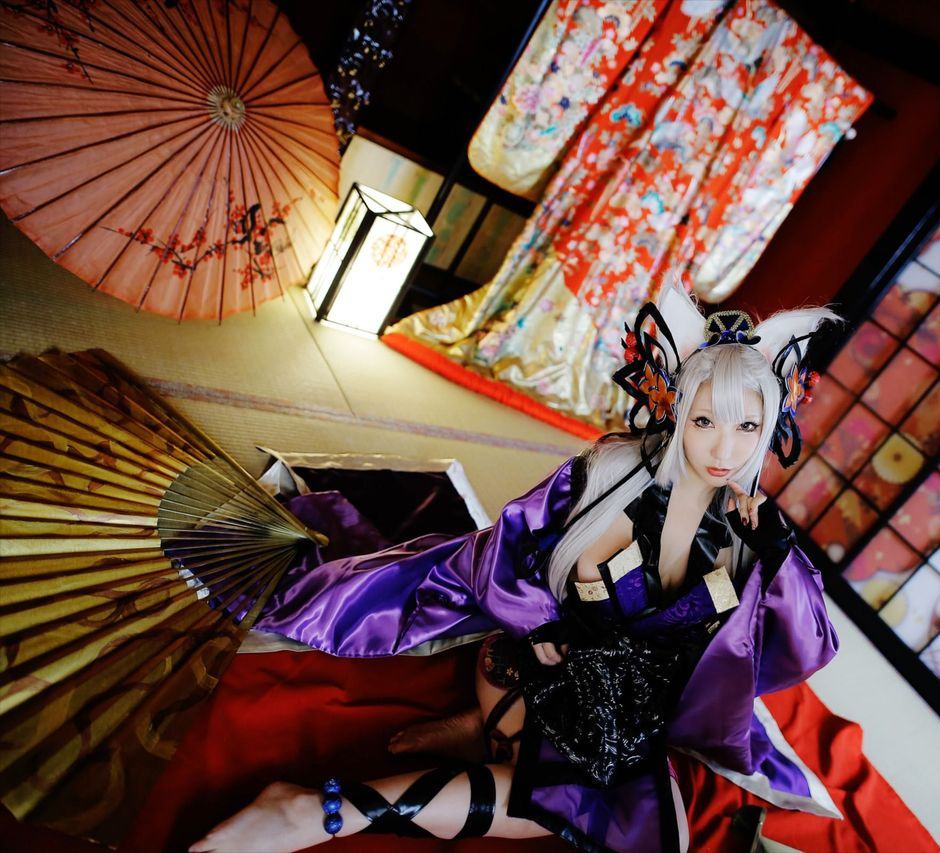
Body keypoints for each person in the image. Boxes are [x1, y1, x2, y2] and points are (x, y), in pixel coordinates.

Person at [189, 284, 843, 852]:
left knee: (667, 835)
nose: (726, 448)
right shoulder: (611, 481)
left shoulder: (743, 527)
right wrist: (553, 633)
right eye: (705, 420)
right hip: (536, 671)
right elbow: (503, 562)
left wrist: (774, 553)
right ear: (677, 410)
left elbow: (800, 644)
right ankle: (319, 811)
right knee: (572, 801)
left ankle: (485, 739)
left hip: (623, 711)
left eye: (747, 427)